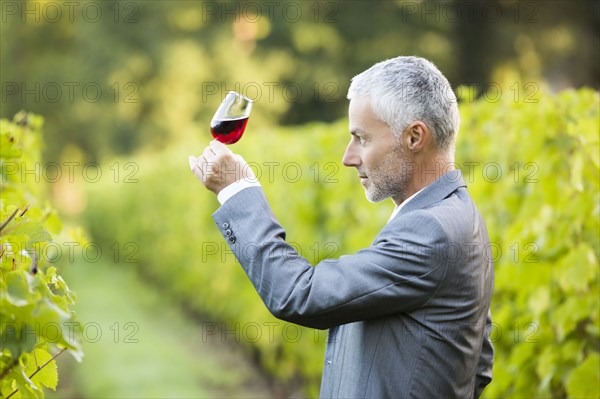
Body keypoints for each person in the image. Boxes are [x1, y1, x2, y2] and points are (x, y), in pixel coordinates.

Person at [188, 56, 494, 399]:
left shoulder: (430, 230)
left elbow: (299, 295)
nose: (349, 157)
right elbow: (477, 363)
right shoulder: (460, 215)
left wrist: (237, 191)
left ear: (414, 137)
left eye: (361, 138)